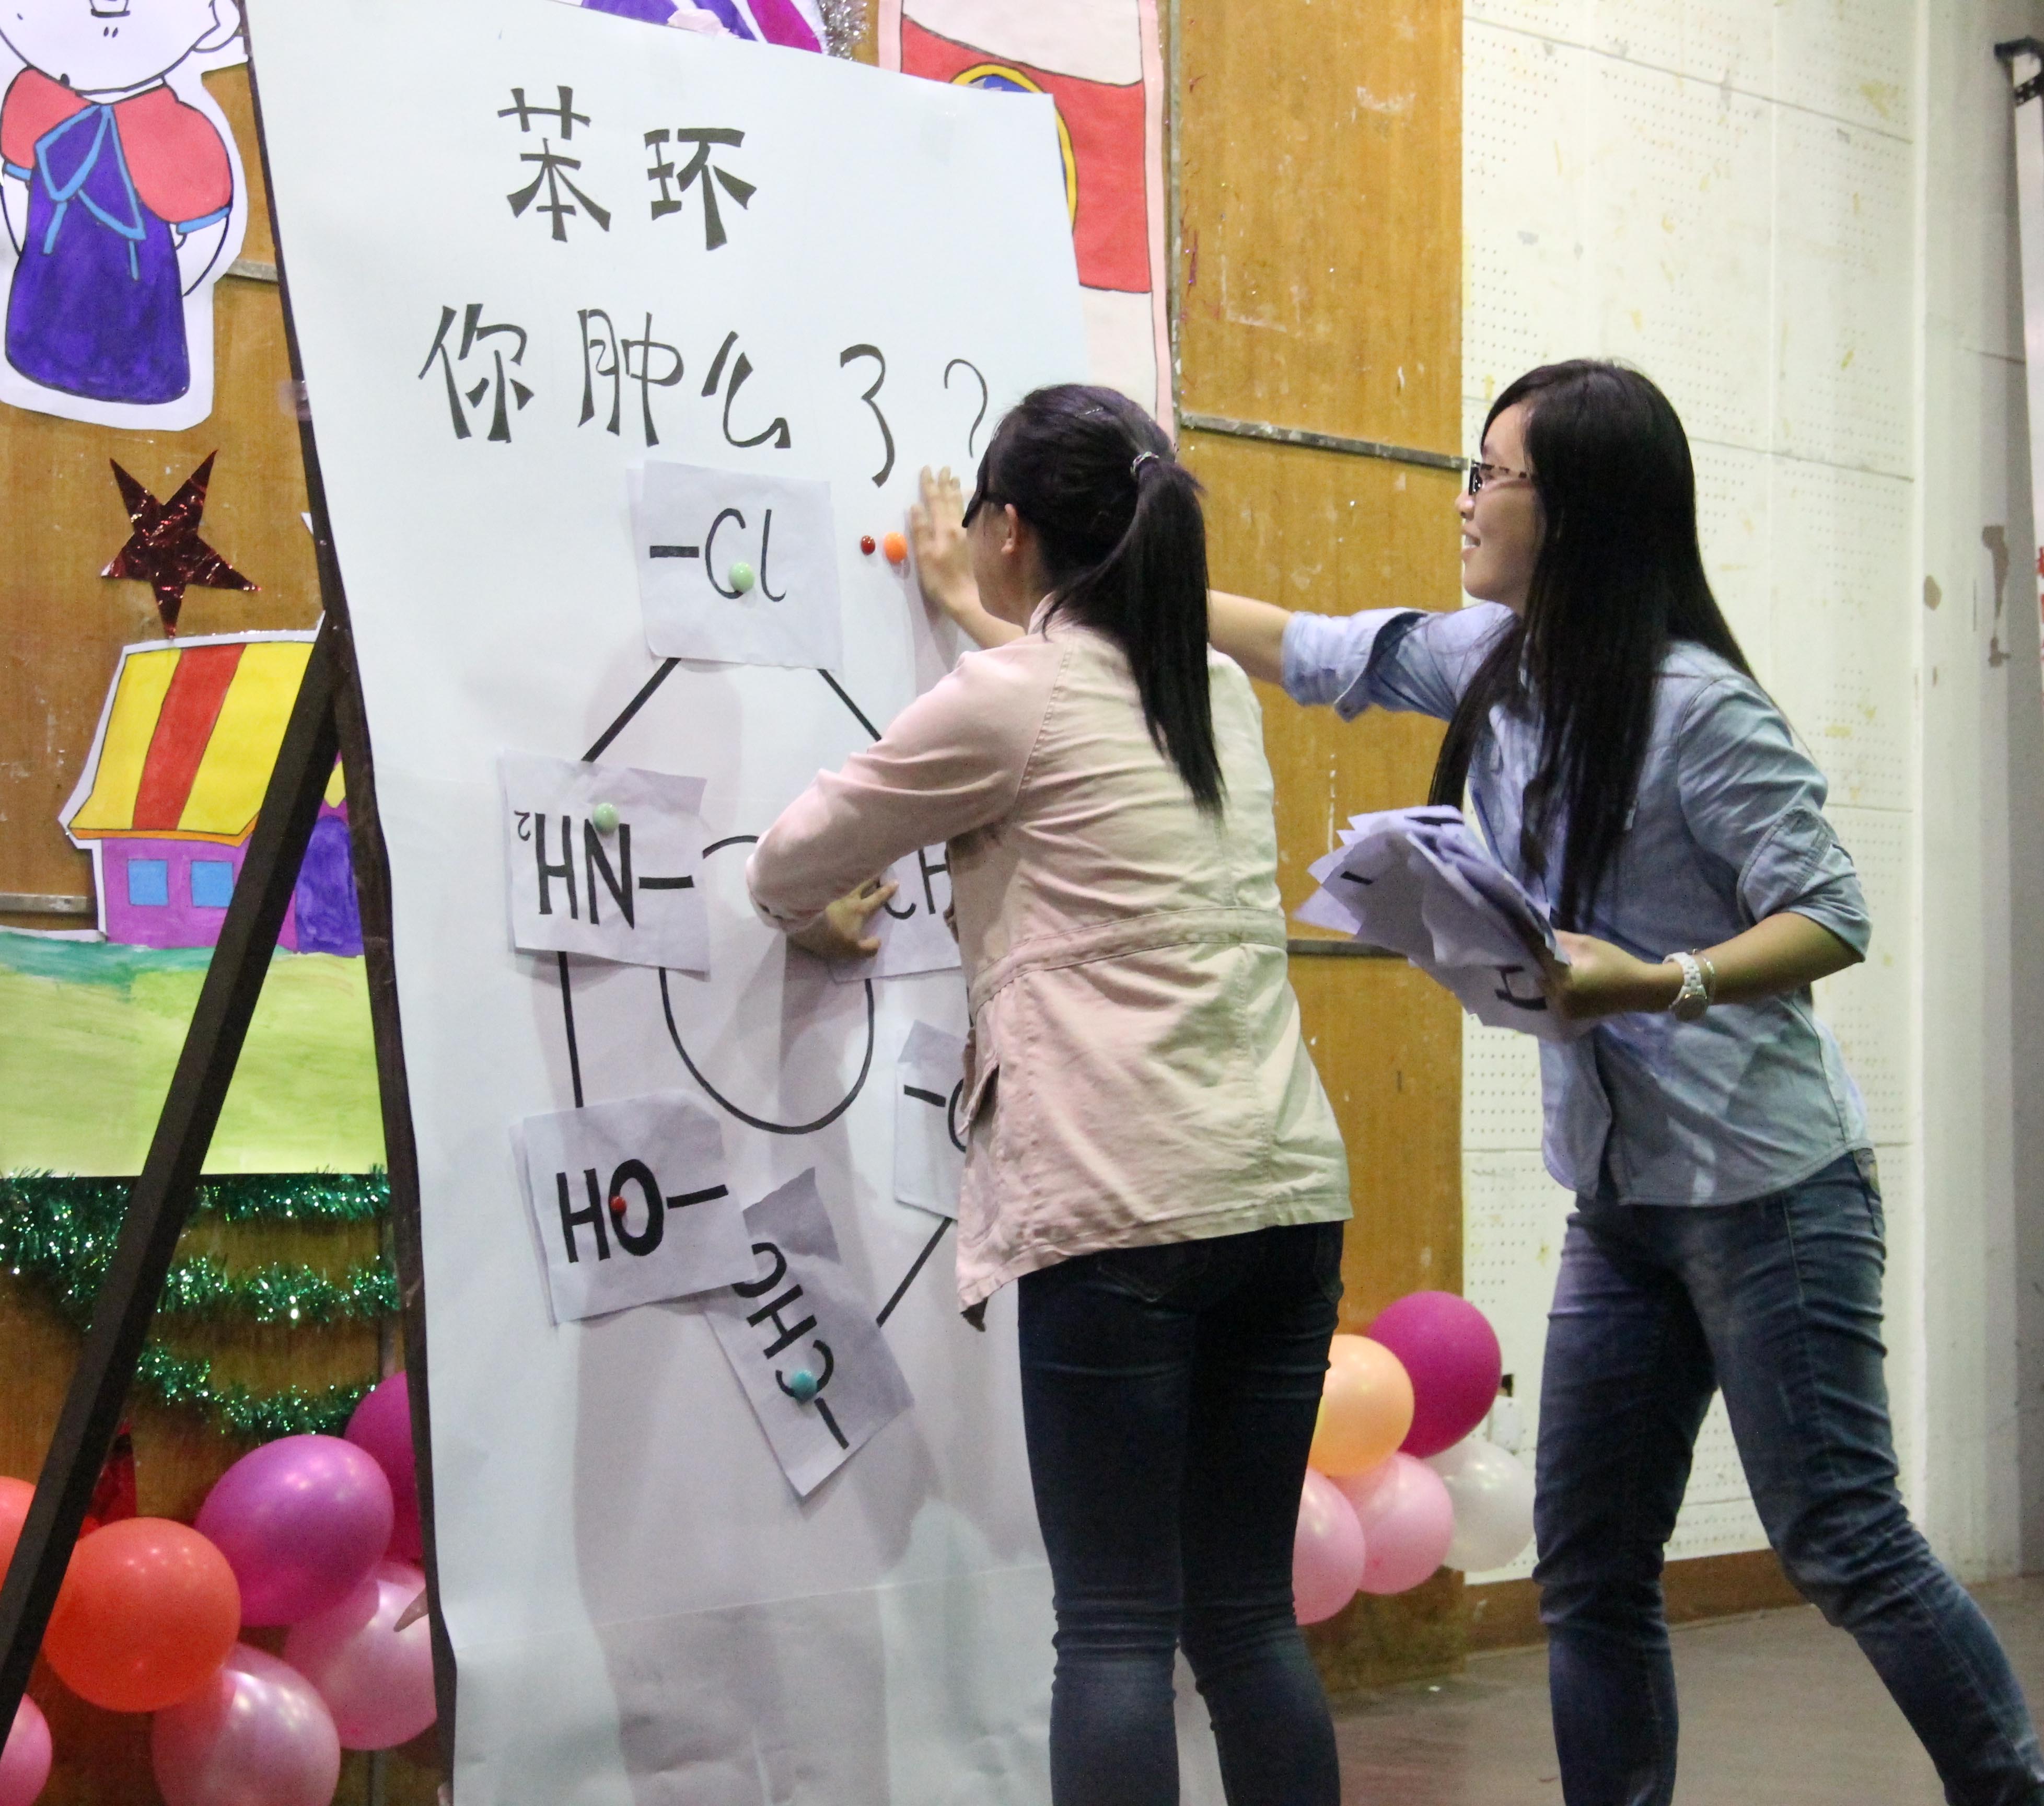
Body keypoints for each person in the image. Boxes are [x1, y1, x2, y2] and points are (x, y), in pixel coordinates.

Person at [1206, 358, 2044, 1806]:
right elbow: (1306, 649)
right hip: (1621, 1201)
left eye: (1494, 476)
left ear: (1580, 508)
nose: (1467, 500)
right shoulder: (1493, 663)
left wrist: (1659, 981)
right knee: (1590, 1566)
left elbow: (1833, 911)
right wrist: (1128, 589)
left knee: (1842, 1539)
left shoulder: (1698, 709)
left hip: (1771, 1194)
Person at [746, 384, 1352, 1806]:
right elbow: (1070, 719)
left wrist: (814, 910)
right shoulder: (1214, 693)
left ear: (1009, 529)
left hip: (1122, 1203)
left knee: (1118, 1627)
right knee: (1245, 1619)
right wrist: (975, 614)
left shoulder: (1010, 697)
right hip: (1284, 1197)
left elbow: (787, 859)